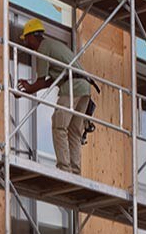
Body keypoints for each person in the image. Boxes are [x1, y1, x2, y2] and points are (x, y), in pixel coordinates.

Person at [16, 17, 92, 175]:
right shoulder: (53, 45)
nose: (26, 43)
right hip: (84, 87)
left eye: (26, 39)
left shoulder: (43, 48)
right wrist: (28, 90)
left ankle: (64, 168)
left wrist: (27, 89)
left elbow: (40, 80)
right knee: (74, 131)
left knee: (59, 125)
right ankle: (75, 171)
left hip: (72, 87)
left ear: (31, 36)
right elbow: (50, 81)